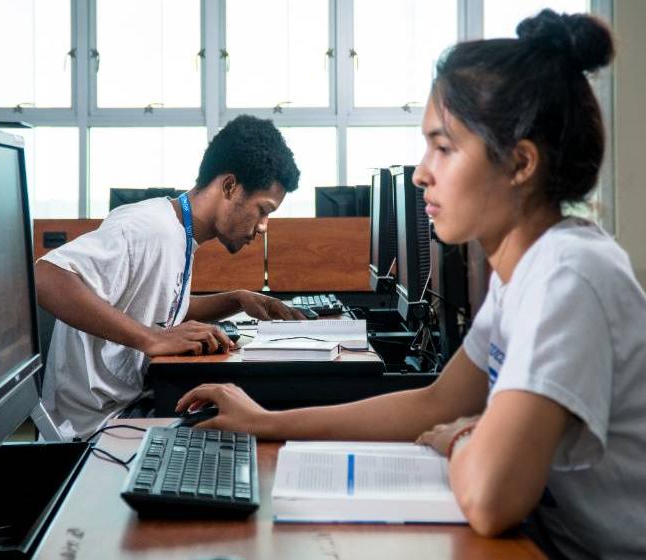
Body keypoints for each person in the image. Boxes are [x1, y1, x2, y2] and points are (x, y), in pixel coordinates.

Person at [176, 10, 646, 559]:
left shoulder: (568, 276)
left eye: (443, 147)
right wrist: (264, 422)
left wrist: (465, 437)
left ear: (520, 163)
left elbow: (491, 496)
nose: (422, 172)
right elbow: (438, 401)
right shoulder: (527, 275)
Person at [36, 114, 305, 440]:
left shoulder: (177, 233)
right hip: (94, 431)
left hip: (129, 407)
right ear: (230, 186)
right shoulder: (149, 229)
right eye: (263, 210)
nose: (263, 226)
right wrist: (152, 338)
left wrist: (237, 300)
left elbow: (159, 304)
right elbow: (46, 277)